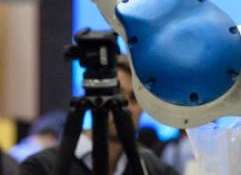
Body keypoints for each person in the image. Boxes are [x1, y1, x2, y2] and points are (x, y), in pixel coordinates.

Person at [20, 55, 178, 175]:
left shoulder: (155, 170)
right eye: (115, 94)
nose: (125, 106)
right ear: (92, 98)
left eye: (134, 98)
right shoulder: (42, 167)